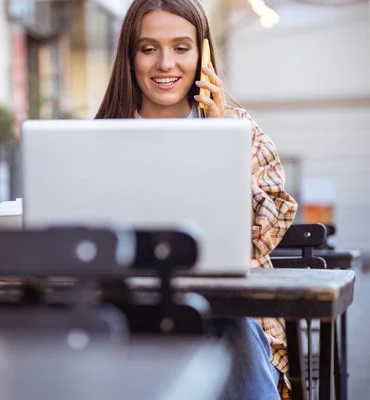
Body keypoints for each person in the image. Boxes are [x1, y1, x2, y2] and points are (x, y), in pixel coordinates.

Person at [95, 0, 298, 399]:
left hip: (231, 313)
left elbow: (262, 235)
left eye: (181, 48)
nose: (165, 64)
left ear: (203, 54)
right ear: (130, 57)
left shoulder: (243, 132)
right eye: (148, 48)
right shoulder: (101, 136)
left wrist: (223, 140)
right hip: (130, 311)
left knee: (231, 327)